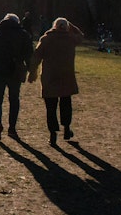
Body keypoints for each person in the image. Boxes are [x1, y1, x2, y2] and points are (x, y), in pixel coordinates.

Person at [28, 17, 84, 145]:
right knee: (66, 104)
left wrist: (32, 71)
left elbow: (37, 55)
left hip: (49, 77)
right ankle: (66, 128)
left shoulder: (46, 39)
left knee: (51, 106)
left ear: (54, 26)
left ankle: (53, 134)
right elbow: (81, 35)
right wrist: (71, 25)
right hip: (66, 76)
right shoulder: (71, 39)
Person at [0, 13, 33, 142]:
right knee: (14, 99)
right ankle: (12, 128)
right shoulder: (23, 35)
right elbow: (29, 55)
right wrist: (31, 69)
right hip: (15, 71)